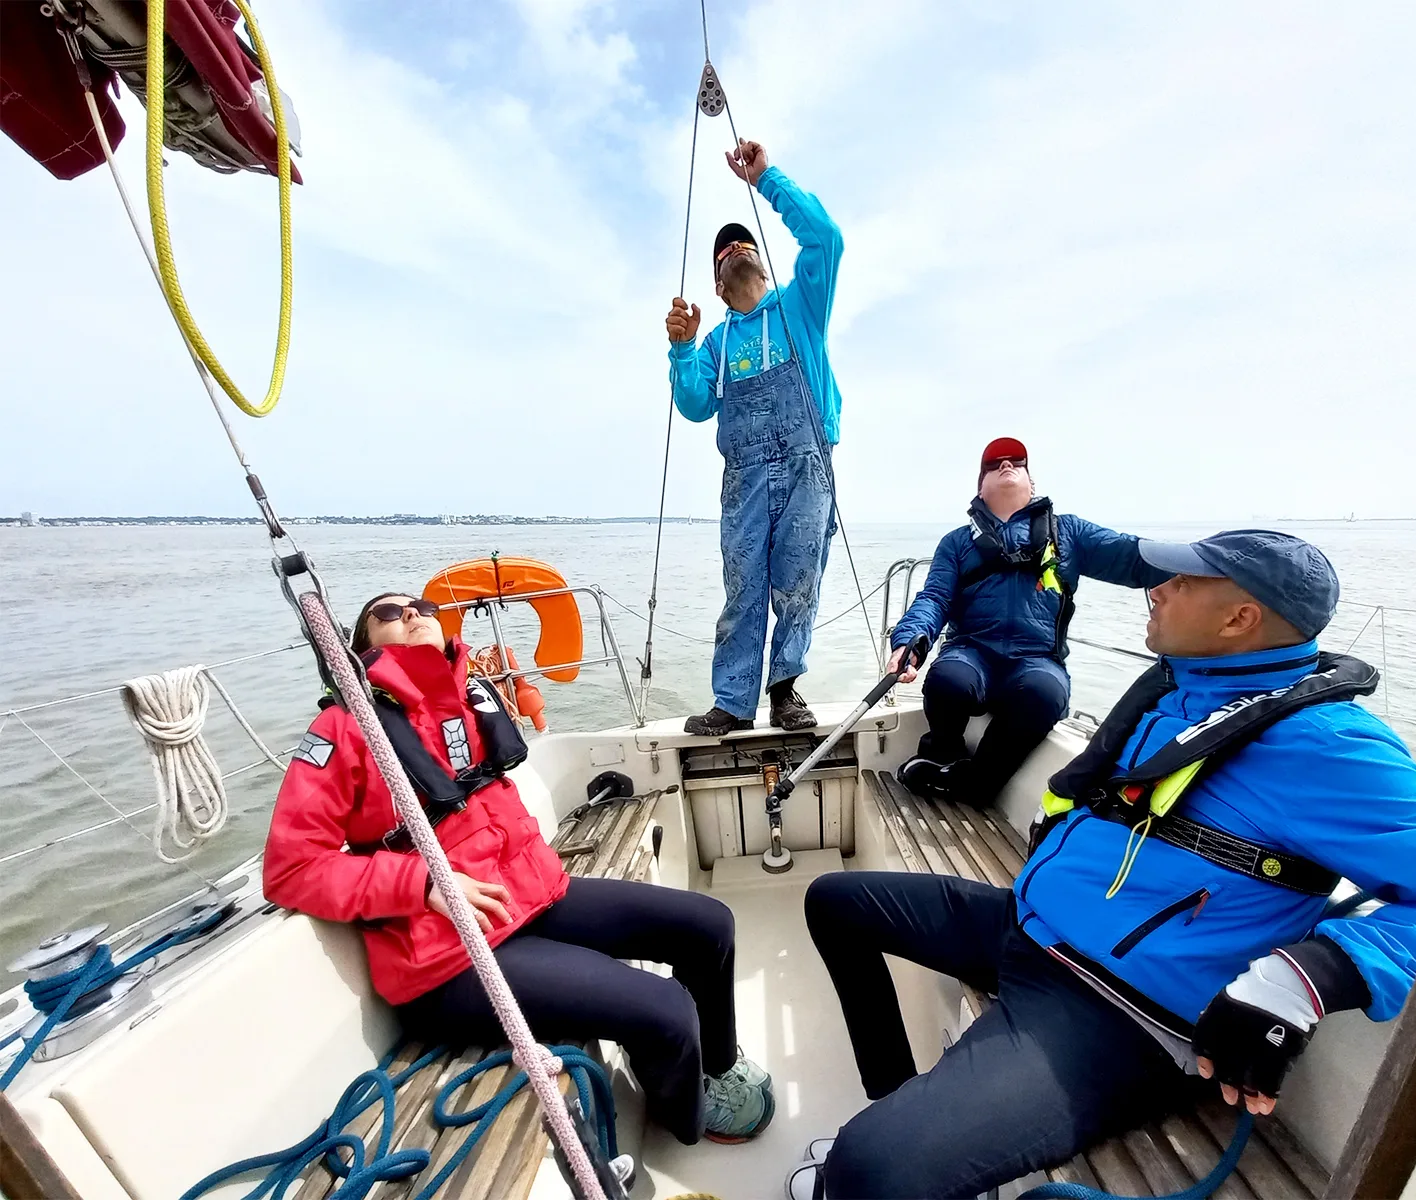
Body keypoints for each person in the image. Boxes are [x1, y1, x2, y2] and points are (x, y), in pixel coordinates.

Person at [796, 531, 1416, 1198]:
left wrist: (1310, 973)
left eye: (1183, 581)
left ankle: (898, 1145)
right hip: (1031, 929)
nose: (1156, 587)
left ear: (1240, 618)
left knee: (868, 1170)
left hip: (1115, 1011)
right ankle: (896, 1098)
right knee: (835, 901)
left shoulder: (1327, 746)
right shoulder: (1185, 689)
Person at [263, 592, 774, 1146]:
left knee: (708, 925)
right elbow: (291, 869)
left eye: (421, 605)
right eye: (387, 612)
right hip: (449, 956)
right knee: (666, 1009)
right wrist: (422, 883)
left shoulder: (467, 697)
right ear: (361, 648)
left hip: (530, 897)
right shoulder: (343, 730)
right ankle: (690, 1119)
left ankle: (716, 1069)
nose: (411, 613)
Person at [665, 137, 844, 737]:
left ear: (762, 262)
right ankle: (732, 701)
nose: (734, 251)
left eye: (743, 244)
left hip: (806, 465)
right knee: (742, 585)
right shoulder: (716, 341)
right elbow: (693, 404)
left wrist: (766, 178)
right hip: (742, 474)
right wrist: (683, 345)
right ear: (718, 285)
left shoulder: (801, 307)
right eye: (722, 253)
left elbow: (826, 239)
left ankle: (785, 689)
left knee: (798, 580)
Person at [886, 437, 1168, 808]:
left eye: (1017, 462)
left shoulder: (1070, 533)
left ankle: (976, 783)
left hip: (1037, 658)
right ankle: (941, 754)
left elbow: (1134, 557)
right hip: (971, 651)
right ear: (980, 488)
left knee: (1045, 693)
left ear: (1031, 483)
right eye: (994, 464)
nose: (1006, 465)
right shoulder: (956, 543)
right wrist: (912, 639)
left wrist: (1203, 566)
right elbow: (934, 598)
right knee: (946, 680)